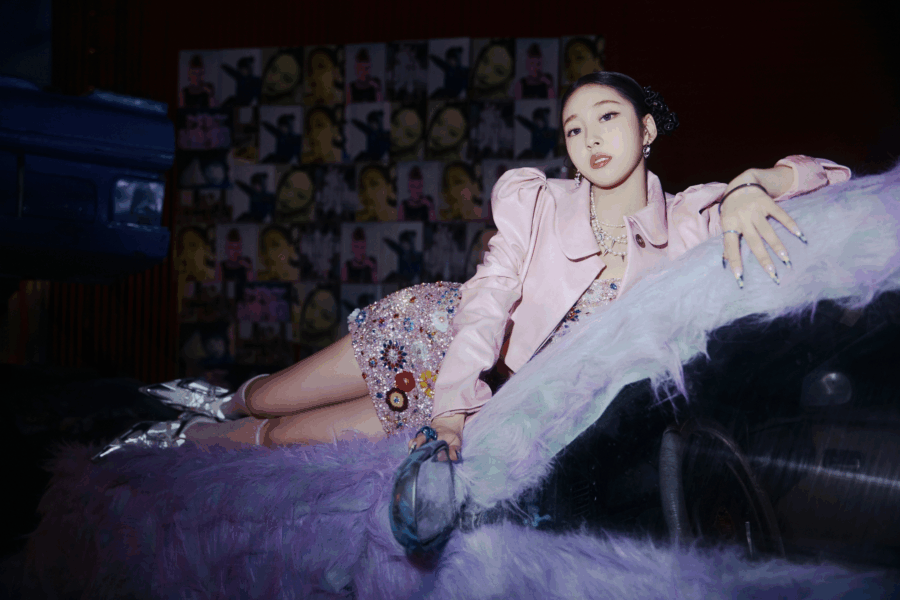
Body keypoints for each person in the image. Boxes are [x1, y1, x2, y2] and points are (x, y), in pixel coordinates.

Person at [112, 72, 850, 462]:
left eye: (608, 118)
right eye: (574, 128)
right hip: (438, 338)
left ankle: (179, 441)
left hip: (493, 401)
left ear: (647, 127)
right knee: (270, 401)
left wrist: (755, 183)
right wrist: (449, 407)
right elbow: (490, 297)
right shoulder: (538, 199)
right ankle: (220, 400)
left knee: (282, 443)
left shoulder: (692, 219)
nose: (591, 139)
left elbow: (838, 178)